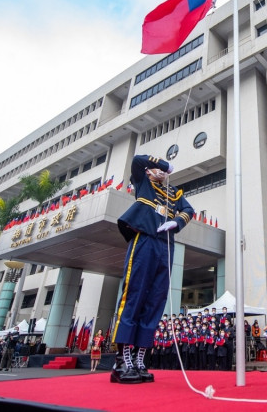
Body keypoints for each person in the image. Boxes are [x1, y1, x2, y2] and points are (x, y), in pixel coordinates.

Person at [110, 154, 194, 384]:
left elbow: (188, 210)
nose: (163, 174)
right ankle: (122, 360)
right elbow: (138, 160)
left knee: (155, 301)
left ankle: (139, 359)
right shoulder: (143, 182)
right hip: (144, 240)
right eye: (156, 170)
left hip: (165, 245)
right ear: (149, 171)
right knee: (134, 296)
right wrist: (164, 165)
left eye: (164, 172)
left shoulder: (175, 193)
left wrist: (176, 222)